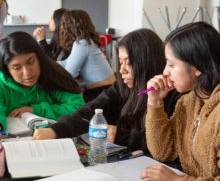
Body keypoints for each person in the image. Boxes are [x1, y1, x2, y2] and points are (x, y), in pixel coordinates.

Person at [33, 29, 181, 153]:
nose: (121, 70)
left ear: (146, 62)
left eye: (128, 63)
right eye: (120, 62)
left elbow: (170, 144)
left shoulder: (173, 95)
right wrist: (57, 130)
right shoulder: (122, 87)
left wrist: (122, 137)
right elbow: (91, 110)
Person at [141, 22, 220, 181]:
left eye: (171, 65)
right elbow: (162, 151)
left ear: (196, 66)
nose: (164, 72)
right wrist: (155, 103)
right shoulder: (188, 102)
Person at [0, 31, 85, 142]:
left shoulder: (52, 75)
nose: (27, 73)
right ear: (6, 69)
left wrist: (36, 109)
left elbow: (78, 107)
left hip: (54, 142)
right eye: (17, 68)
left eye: (31, 62)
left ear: (39, 58)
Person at [58, 10, 115, 102]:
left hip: (101, 92)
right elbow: (67, 62)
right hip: (106, 90)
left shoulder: (82, 43)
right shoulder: (86, 42)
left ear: (69, 26)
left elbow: (69, 75)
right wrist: (49, 63)